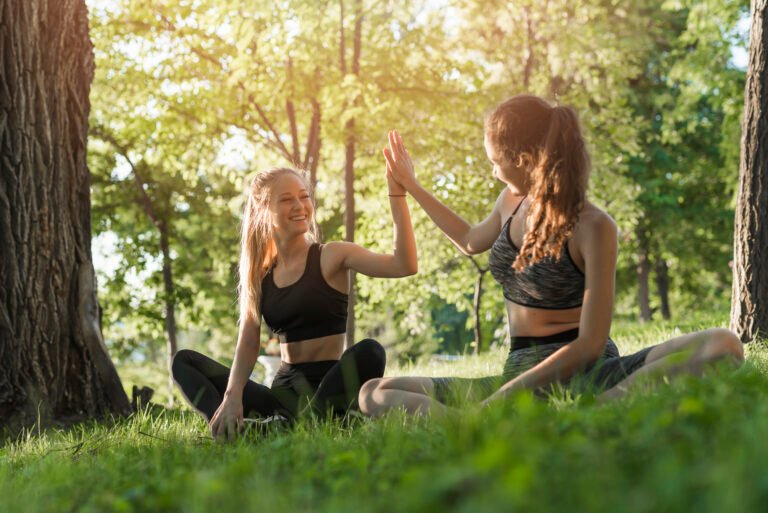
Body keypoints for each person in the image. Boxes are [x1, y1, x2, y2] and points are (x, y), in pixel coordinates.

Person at [359, 94, 744, 416]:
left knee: (724, 344)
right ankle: (484, 422)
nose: (494, 172)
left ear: (524, 160)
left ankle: (582, 411)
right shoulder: (511, 201)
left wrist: (502, 398)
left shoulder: (595, 226)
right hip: (518, 372)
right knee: (373, 391)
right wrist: (410, 186)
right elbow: (471, 240)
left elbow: (590, 345)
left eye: (496, 162)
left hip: (589, 372)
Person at [173, 152, 417, 439]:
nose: (300, 206)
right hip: (283, 396)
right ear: (264, 208)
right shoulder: (260, 275)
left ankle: (283, 429)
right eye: (287, 199)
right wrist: (232, 396)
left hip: (331, 387)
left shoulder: (331, 256)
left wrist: (397, 193)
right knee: (183, 361)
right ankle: (231, 429)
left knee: (370, 351)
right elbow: (249, 342)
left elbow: (404, 265)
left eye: (304, 196)